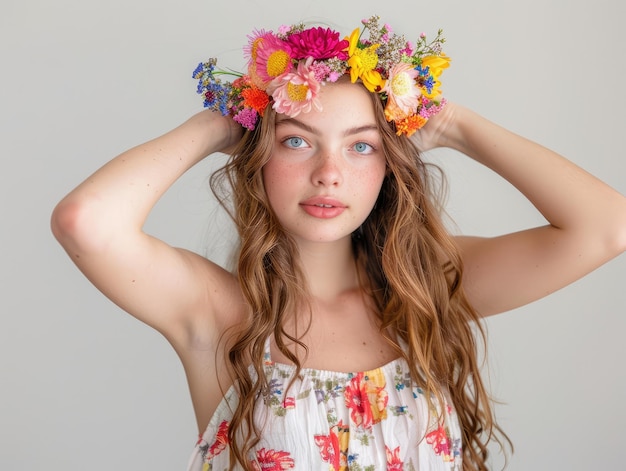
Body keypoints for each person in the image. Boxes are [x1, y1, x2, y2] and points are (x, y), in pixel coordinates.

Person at [51, 15, 626, 471]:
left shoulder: (429, 286)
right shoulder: (218, 313)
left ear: (390, 165)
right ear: (259, 157)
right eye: (298, 142)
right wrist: (223, 124)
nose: (329, 173)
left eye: (361, 146)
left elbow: (606, 227)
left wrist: (454, 124)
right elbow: (85, 222)